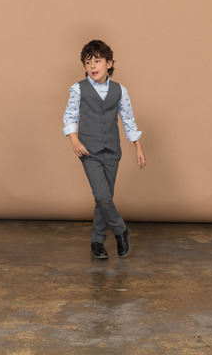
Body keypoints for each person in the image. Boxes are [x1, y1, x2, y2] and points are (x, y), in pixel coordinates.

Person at [62, 40, 146, 259]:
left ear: (109, 63)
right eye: (88, 62)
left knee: (104, 198)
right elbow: (70, 116)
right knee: (102, 195)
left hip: (112, 150)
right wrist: (74, 141)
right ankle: (121, 231)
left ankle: (97, 242)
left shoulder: (120, 90)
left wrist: (138, 147)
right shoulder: (78, 88)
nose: (93, 66)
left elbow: (128, 119)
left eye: (97, 61)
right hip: (88, 151)